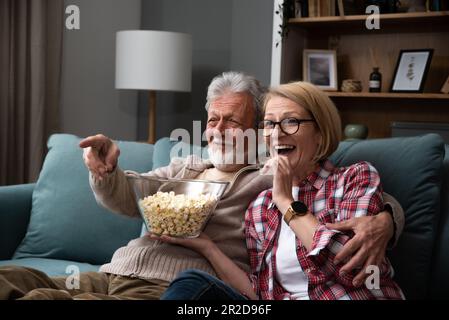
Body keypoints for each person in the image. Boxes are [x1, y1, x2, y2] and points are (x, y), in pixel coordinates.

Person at [0, 73, 402, 300]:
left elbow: (349, 195)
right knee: (11, 279)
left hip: (169, 287)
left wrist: (386, 218)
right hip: (116, 270)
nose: (218, 130)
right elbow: (132, 194)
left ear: (254, 133)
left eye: (232, 120)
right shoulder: (192, 169)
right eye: (212, 120)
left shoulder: (269, 179)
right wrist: (106, 173)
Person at [160, 81, 405, 300]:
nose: (277, 133)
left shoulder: (354, 177)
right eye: (269, 123)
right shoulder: (260, 206)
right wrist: (208, 247)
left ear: (320, 133)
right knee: (191, 284)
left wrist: (286, 201)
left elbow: (348, 269)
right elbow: (259, 292)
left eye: (291, 121)